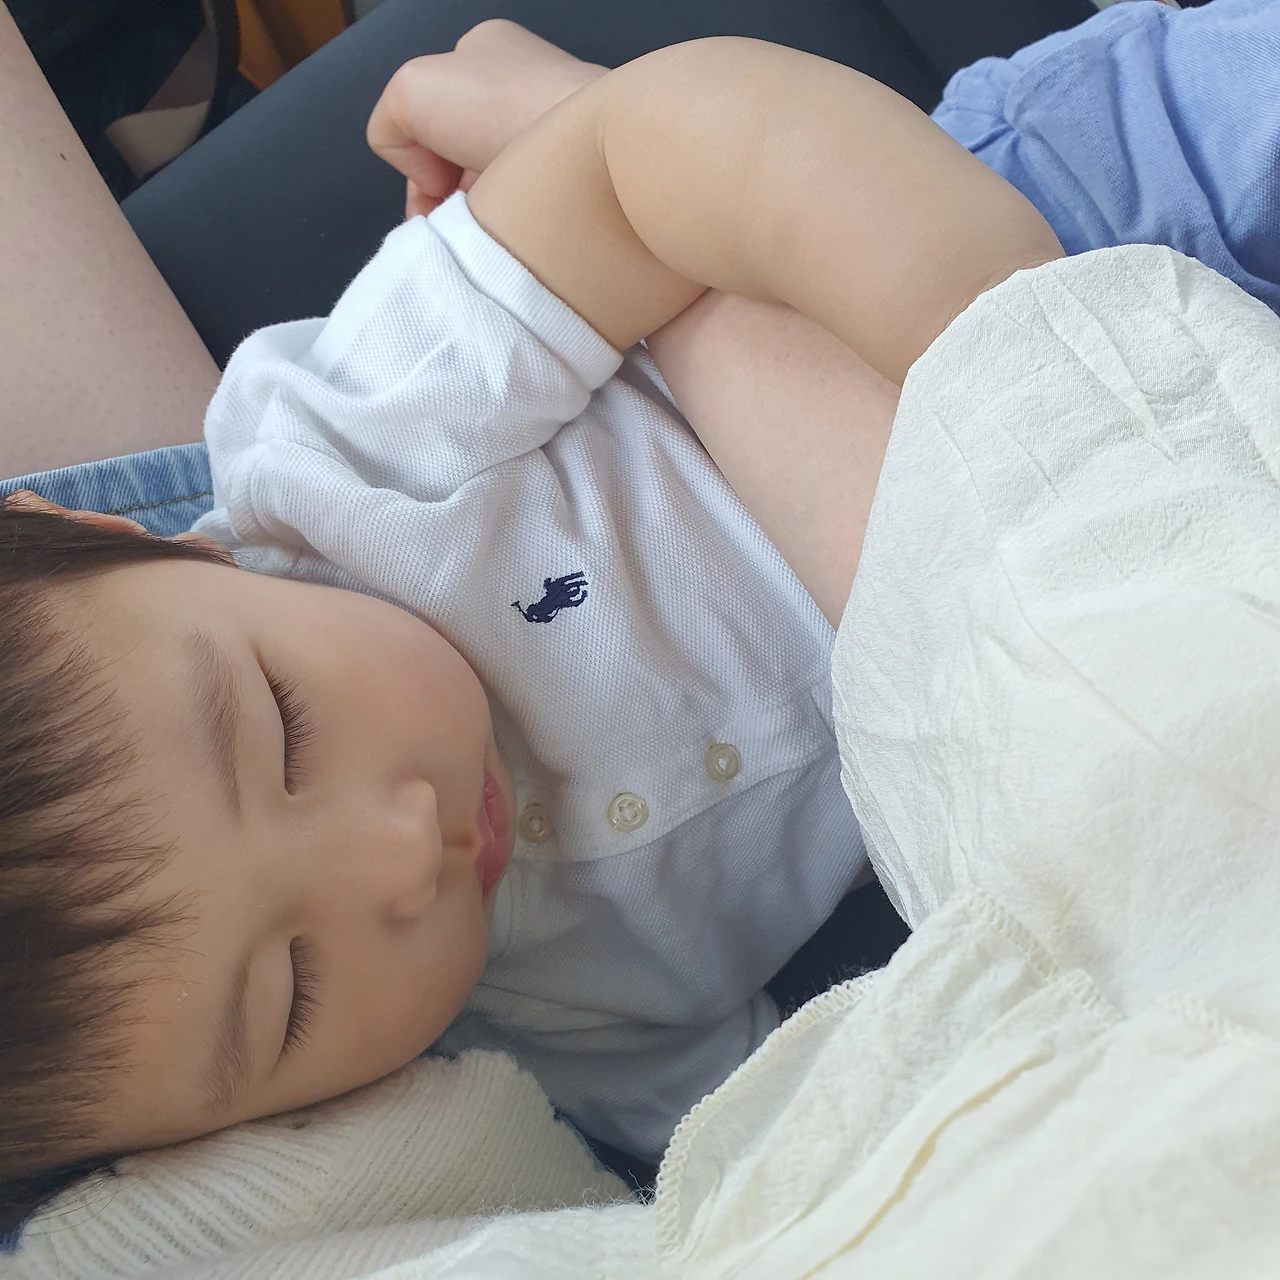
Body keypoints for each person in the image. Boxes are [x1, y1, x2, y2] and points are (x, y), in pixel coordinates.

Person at [0, 14, 1061, 1218]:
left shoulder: (346, 461)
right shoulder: (564, 1040)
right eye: (293, 990)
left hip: (996, 228)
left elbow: (637, 159)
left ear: (133, 533)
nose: (403, 852)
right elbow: (833, 1124)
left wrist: (1021, 365)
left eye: (285, 729)